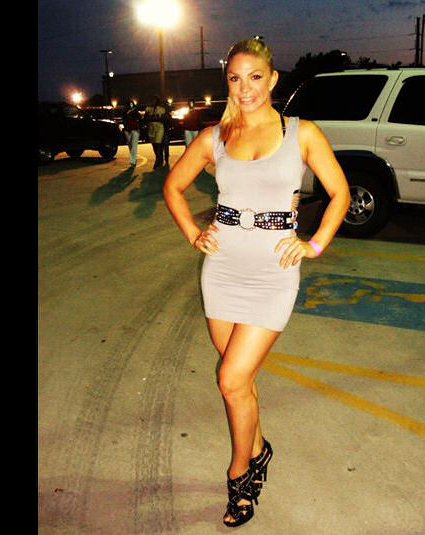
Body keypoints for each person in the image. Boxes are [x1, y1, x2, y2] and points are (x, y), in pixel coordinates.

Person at [163, 38, 350, 528]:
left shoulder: (301, 132)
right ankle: (260, 448)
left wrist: (313, 245)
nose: (244, 88)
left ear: (272, 79)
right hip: (222, 270)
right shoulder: (214, 137)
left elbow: (340, 193)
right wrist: (193, 233)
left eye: (254, 77)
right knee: (239, 382)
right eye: (234, 78)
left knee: (230, 379)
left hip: (272, 273)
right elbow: (173, 187)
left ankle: (240, 474)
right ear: (227, 83)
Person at [145, 96, 166, 169]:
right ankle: (159, 158)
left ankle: (158, 160)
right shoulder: (148, 109)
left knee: (158, 144)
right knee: (154, 145)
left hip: (159, 127)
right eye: (152, 100)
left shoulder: (161, 109)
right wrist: (153, 118)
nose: (153, 102)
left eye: (154, 100)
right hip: (151, 128)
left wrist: (154, 118)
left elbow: (163, 119)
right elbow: (146, 118)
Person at [122, 100, 142, 167]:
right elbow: (123, 119)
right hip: (127, 130)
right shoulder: (125, 112)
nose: (130, 105)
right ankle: (133, 159)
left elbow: (139, 117)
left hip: (135, 129)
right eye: (129, 104)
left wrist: (133, 113)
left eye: (132, 104)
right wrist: (127, 113)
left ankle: (133, 161)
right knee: (130, 146)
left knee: (134, 146)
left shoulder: (135, 111)